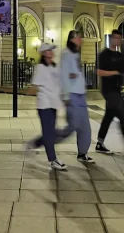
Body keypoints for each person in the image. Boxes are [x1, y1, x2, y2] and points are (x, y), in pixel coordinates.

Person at [25, 43, 72, 171]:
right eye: (49, 50)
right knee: (49, 133)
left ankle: (34, 143)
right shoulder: (40, 68)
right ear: (43, 53)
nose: (52, 51)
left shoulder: (55, 67)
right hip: (44, 105)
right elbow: (35, 86)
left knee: (49, 132)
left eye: (52, 49)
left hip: (54, 104)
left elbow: (59, 84)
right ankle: (53, 160)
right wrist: (30, 91)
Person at [95, 30, 124, 154]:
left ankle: (99, 143)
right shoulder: (104, 54)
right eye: (115, 38)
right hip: (108, 90)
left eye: (120, 39)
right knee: (121, 114)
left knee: (109, 116)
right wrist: (115, 72)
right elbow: (99, 72)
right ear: (111, 39)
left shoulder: (120, 56)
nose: (117, 41)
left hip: (117, 90)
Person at [60, 30, 95, 163]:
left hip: (81, 96)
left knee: (84, 127)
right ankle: (49, 138)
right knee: (71, 127)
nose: (81, 40)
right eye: (78, 38)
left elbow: (74, 74)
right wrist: (65, 96)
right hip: (72, 96)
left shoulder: (75, 55)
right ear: (72, 40)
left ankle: (82, 153)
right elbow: (64, 76)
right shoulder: (66, 54)